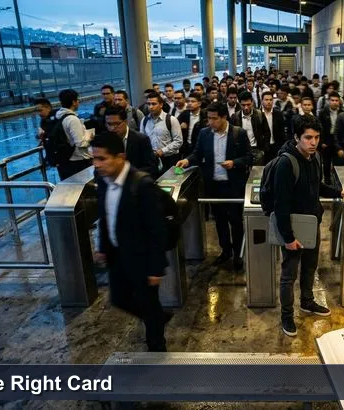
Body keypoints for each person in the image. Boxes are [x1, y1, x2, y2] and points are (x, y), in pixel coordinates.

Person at [273, 116, 344, 336]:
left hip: (312, 222)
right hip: (293, 226)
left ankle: (307, 302)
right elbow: (281, 204)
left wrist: (338, 192)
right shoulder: (286, 163)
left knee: (309, 267)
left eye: (316, 137)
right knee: (289, 275)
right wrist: (287, 238)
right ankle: (287, 317)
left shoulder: (315, 157)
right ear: (297, 137)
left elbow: (317, 186)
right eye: (308, 137)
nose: (313, 142)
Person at [91, 132, 169, 352]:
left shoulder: (142, 184)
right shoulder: (104, 181)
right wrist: (102, 247)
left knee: (148, 302)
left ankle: (157, 347)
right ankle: (158, 318)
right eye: (94, 159)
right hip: (117, 254)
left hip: (142, 259)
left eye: (102, 159)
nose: (97, 164)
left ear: (120, 157)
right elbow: (105, 215)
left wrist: (156, 268)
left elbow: (157, 229)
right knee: (120, 298)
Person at [176, 103, 251, 271]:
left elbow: (248, 157)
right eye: (208, 118)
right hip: (213, 186)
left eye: (214, 119)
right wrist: (187, 160)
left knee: (236, 221)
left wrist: (234, 163)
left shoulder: (239, 134)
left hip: (232, 186)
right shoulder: (204, 134)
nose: (210, 122)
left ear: (224, 117)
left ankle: (239, 253)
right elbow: (197, 154)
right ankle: (226, 251)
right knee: (220, 221)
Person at [105, 106, 157, 176]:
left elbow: (151, 167)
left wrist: (126, 174)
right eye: (109, 124)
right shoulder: (106, 141)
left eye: (117, 124)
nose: (112, 128)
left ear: (126, 122)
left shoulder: (141, 139)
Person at [140, 93, 183, 173]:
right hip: (152, 160)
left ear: (161, 105)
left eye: (154, 104)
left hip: (169, 159)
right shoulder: (144, 120)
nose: (150, 107)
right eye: (148, 104)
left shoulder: (171, 120)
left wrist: (162, 151)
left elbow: (178, 141)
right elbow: (142, 141)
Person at [55, 89, 93, 180]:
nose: (78, 102)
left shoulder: (59, 116)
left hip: (66, 159)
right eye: (78, 100)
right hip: (78, 161)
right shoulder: (72, 119)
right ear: (74, 102)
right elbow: (80, 143)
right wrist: (90, 138)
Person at [230, 91, 270, 165]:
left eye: (248, 104)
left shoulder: (260, 115)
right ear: (239, 103)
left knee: (256, 175)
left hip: (257, 150)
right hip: (242, 152)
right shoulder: (235, 117)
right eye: (243, 105)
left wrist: (263, 150)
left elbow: (267, 133)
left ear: (252, 102)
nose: (246, 107)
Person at [319, 91, 342, 184]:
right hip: (327, 140)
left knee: (338, 162)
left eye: (336, 100)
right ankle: (327, 181)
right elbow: (320, 128)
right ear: (328, 101)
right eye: (332, 100)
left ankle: (338, 182)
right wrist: (322, 141)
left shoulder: (342, 113)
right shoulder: (323, 112)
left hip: (338, 140)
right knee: (326, 163)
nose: (334, 102)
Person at [177, 92, 207, 158]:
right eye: (188, 101)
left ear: (199, 103)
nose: (190, 103)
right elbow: (176, 123)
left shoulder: (205, 114)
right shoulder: (184, 114)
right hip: (187, 146)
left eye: (193, 101)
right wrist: (180, 124)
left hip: (201, 146)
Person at [261, 92, 286, 163]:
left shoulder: (278, 114)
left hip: (276, 146)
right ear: (262, 101)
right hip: (263, 147)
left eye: (270, 100)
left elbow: (282, 132)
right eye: (266, 100)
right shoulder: (257, 114)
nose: (269, 102)